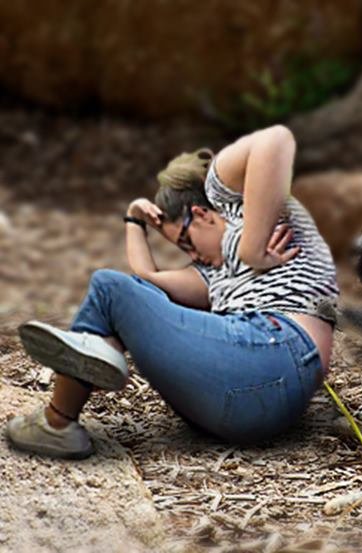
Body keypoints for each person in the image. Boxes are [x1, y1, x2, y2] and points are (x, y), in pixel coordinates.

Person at [5, 125, 338, 458]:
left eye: (187, 242)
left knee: (108, 287)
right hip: (246, 408)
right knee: (116, 292)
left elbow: (276, 139)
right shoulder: (214, 276)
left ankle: (58, 420)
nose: (192, 256)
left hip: (277, 351)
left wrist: (253, 252)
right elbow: (145, 279)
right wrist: (134, 218)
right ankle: (96, 354)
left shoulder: (241, 205)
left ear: (202, 214)